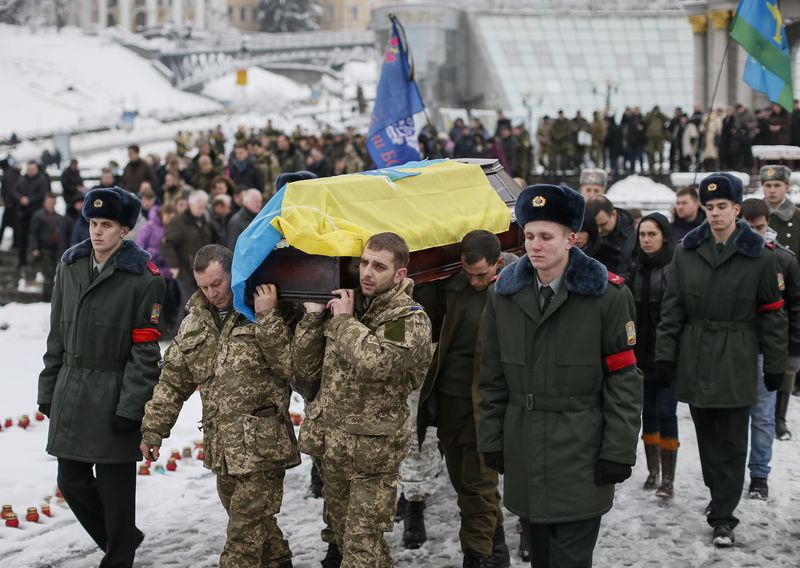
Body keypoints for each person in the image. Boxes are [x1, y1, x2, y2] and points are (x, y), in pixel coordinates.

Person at [478, 184, 642, 568]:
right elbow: (492, 377)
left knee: (569, 558)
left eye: (546, 237)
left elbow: (624, 381)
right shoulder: (504, 295)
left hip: (581, 451)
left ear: (571, 238)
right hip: (525, 449)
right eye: (529, 235)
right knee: (541, 556)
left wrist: (618, 450)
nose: (534, 245)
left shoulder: (607, 297)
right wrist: (492, 438)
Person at [140, 245, 298, 568]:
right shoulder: (194, 324)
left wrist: (268, 317)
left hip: (263, 449)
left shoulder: (263, 308)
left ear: (233, 274)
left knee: (241, 545)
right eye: (204, 287)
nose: (212, 293)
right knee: (261, 534)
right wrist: (153, 429)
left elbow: (292, 369)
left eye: (217, 284)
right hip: (223, 452)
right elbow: (172, 383)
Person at [36, 186, 165, 568]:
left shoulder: (144, 278)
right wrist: (49, 387)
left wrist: (132, 405)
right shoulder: (70, 265)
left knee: (116, 488)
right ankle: (122, 538)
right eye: (93, 223)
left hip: (114, 390)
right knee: (71, 480)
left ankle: (119, 554)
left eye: (106, 224)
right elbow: (57, 331)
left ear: (124, 229)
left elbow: (145, 351)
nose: (97, 231)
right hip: (72, 386)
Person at [656, 173, 787, 547]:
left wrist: (776, 362)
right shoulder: (687, 251)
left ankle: (724, 516)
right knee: (707, 437)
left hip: (737, 353)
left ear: (737, 209)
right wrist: (665, 355)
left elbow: (772, 313)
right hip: (695, 353)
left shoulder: (759, 255)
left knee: (732, 440)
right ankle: (720, 494)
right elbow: (673, 308)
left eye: (722, 207)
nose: (715, 214)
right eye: (709, 207)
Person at [292, 232, 432, 567]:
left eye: (379, 266)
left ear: (399, 274)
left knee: (361, 547)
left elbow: (378, 362)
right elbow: (302, 369)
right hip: (334, 446)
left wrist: (343, 321)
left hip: (373, 454)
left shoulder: (407, 318)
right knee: (343, 538)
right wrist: (313, 318)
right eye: (364, 262)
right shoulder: (347, 304)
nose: (367, 271)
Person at [416, 230, 514, 568]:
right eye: (468, 273)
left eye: (481, 275)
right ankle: (497, 552)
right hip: (448, 405)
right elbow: (419, 320)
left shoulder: (510, 296)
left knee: (478, 487)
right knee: (466, 487)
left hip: (485, 407)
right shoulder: (451, 288)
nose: (474, 281)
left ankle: (478, 557)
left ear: (498, 264)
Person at [740, 199, 800, 497]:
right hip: (735, 348)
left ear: (769, 225)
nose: (754, 233)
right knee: (734, 415)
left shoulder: (784, 259)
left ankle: (760, 475)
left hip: (767, 348)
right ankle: (733, 473)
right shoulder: (733, 256)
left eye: (760, 228)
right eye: (749, 228)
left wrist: (792, 351)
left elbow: (794, 308)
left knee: (763, 416)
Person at [628, 213, 678, 498]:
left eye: (652, 235)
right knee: (647, 414)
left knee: (666, 413)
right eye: (642, 235)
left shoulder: (673, 267)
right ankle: (652, 471)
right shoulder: (635, 267)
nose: (646, 240)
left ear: (664, 237)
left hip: (667, 354)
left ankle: (668, 478)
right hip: (639, 355)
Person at [161, 190, 221, 324]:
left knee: (194, 300)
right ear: (191, 204)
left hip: (202, 267)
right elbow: (166, 244)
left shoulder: (205, 219)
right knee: (191, 299)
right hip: (184, 268)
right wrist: (174, 266)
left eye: (205, 206)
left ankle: (182, 330)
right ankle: (183, 332)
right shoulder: (179, 221)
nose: (202, 209)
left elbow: (217, 237)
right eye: (200, 206)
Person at [28, 192, 71, 301]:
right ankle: (48, 299)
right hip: (44, 248)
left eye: (53, 202)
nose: (51, 204)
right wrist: (34, 248)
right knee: (48, 273)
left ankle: (50, 297)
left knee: (53, 273)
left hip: (56, 249)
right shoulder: (38, 215)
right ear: (45, 202)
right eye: (49, 202)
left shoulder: (59, 217)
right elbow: (33, 233)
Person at [584, 196, 637, 280]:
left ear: (614, 215)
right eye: (594, 226)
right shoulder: (584, 233)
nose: (599, 230)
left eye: (603, 224)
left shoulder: (634, 235)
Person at [12, 161, 48, 274]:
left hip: (37, 214)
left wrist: (29, 200)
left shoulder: (42, 180)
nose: (31, 171)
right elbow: (14, 190)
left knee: (37, 237)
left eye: (33, 169)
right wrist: (20, 198)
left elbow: (43, 194)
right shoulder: (21, 179)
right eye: (29, 169)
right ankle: (22, 262)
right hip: (23, 214)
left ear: (36, 169)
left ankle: (38, 261)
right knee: (22, 238)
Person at [761, 165, 800, 255]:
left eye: (777, 185)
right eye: (768, 185)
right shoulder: (752, 214)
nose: (772, 190)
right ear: (763, 187)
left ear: (787, 187)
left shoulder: (797, 215)